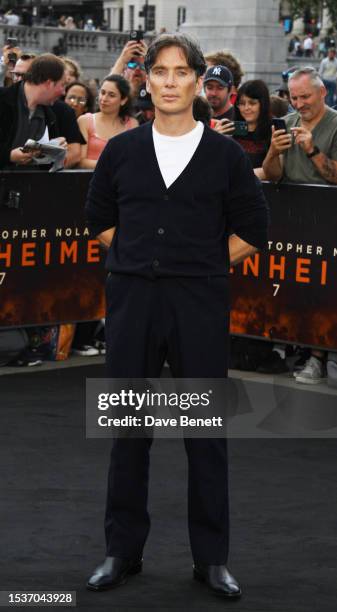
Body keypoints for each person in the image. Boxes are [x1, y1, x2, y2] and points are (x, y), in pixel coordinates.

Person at [85, 32, 268, 599]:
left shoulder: (226, 156)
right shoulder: (121, 150)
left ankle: (211, 560)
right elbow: (99, 218)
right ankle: (121, 552)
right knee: (128, 433)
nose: (168, 82)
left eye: (179, 72)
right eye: (158, 72)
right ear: (149, 81)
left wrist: (198, 265)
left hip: (198, 304)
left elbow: (253, 232)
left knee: (204, 435)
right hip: (133, 302)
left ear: (198, 82)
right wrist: (140, 261)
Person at [263, 66, 337, 384]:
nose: (299, 103)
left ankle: (320, 356)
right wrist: (273, 152)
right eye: (294, 97)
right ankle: (298, 351)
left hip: (327, 219)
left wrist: (311, 149)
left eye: (305, 96)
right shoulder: (287, 123)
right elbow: (273, 174)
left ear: (323, 92)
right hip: (292, 219)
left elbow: (335, 175)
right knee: (295, 289)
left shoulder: (334, 124)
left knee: (324, 290)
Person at [0, 53, 82, 169]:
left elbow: (48, 165)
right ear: (48, 83)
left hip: (32, 185)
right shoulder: (3, 100)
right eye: (62, 85)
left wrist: (53, 150)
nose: (64, 92)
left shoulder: (54, 112)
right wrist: (9, 156)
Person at [78, 74, 138, 169]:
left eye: (111, 95)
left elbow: (134, 160)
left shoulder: (132, 124)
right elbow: (80, 161)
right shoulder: (85, 121)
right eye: (102, 92)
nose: (104, 99)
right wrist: (111, 165)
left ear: (123, 100)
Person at [234, 79, 272, 180]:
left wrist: (241, 176)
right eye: (242, 103)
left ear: (263, 104)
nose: (246, 108)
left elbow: (273, 171)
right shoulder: (233, 130)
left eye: (252, 103)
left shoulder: (273, 131)